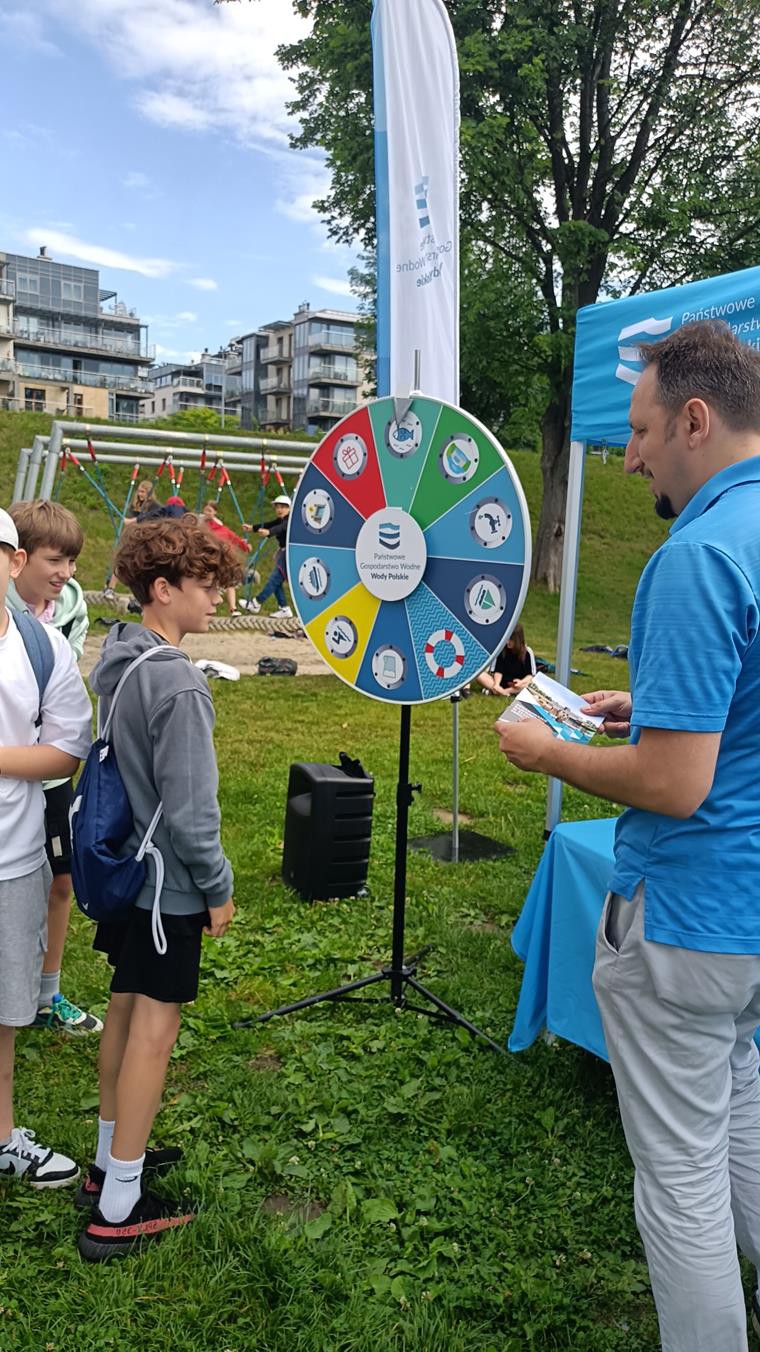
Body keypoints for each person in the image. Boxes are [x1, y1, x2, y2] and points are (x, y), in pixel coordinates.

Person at [494, 320, 760, 1351]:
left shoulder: (697, 555)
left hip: (688, 916)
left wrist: (547, 752)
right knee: (740, 1113)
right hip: (748, 920)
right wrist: (650, 705)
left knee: (680, 1178)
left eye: (641, 431)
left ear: (695, 420)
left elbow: (674, 784)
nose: (632, 457)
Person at [77, 515, 240, 1261]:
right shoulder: (178, 682)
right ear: (163, 590)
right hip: (167, 888)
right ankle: (120, 1204)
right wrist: (218, 887)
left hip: (127, 872)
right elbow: (192, 812)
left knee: (123, 1007)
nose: (217, 600)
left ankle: (109, 1159)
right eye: (206, 586)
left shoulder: (124, 657)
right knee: (155, 1030)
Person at [0, 506, 92, 1186]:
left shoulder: (42, 648)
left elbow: (67, 750)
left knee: (6, 1008)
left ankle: (2, 1136)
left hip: (12, 856)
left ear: (11, 562)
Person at [6, 500, 102, 1035]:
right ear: (17, 559)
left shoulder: (70, 608)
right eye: (54, 560)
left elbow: (62, 701)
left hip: (51, 777)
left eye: (72, 561)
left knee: (60, 879)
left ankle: (47, 994)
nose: (65, 572)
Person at [104, 480, 158, 602]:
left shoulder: (154, 507)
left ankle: (140, 594)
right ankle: (110, 588)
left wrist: (134, 521)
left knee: (141, 567)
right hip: (133, 538)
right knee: (122, 562)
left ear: (149, 493)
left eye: (143, 492)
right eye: (139, 491)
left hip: (145, 541)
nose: (140, 494)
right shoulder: (136, 506)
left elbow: (151, 518)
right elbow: (131, 521)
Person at [241, 494, 292, 619]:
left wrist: (269, 532)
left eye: (283, 507)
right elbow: (269, 524)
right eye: (277, 507)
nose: (279, 510)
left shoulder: (290, 520)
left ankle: (257, 602)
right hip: (284, 553)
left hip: (290, 555)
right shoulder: (280, 519)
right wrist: (252, 528)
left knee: (275, 579)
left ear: (289, 508)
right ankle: (284, 608)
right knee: (276, 581)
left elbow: (280, 528)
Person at [201, 501, 250, 617]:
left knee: (229, 582)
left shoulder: (220, 528)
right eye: (206, 510)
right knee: (208, 584)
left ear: (215, 512)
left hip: (221, 560)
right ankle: (205, 609)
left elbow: (233, 537)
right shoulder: (200, 524)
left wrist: (245, 546)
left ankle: (233, 608)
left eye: (210, 510)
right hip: (208, 561)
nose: (207, 513)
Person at [477, 623, 536, 695]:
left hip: (518, 685)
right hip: (500, 682)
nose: (507, 642)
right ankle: (500, 691)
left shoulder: (527, 652)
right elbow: (498, 671)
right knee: (479, 674)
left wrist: (521, 682)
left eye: (510, 639)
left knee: (530, 683)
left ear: (517, 640)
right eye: (506, 638)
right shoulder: (501, 650)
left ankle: (503, 692)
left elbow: (530, 675)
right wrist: (496, 684)